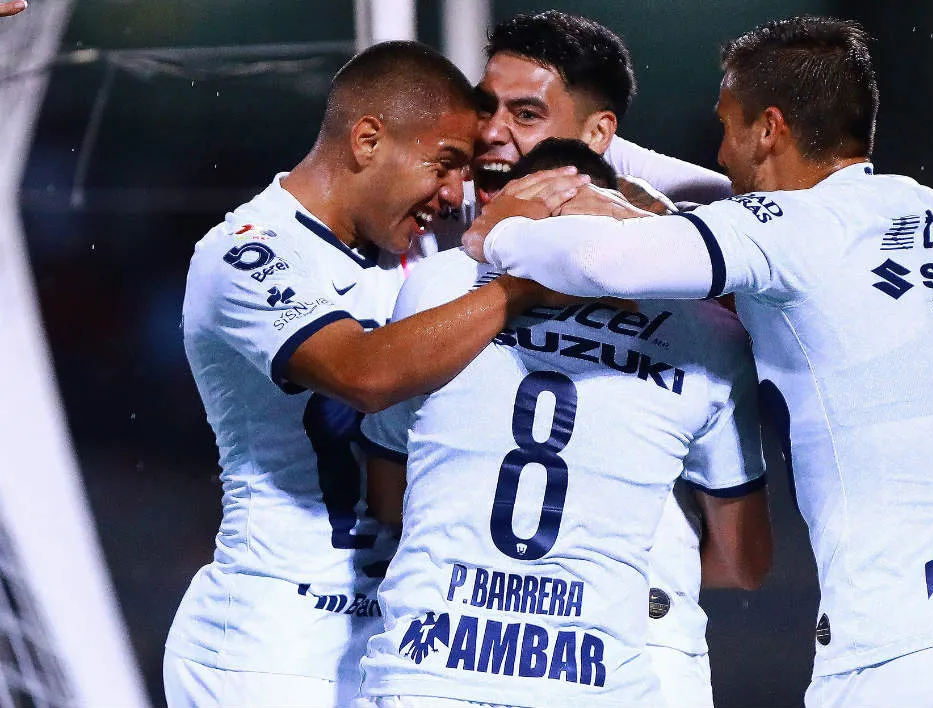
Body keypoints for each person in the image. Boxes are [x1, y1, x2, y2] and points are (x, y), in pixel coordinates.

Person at [462, 16, 933, 707]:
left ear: (769, 129)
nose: (721, 150)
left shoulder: (784, 233)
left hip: (905, 646)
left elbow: (603, 259)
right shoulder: (928, 209)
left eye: (729, 125)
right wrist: (610, 181)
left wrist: (499, 232)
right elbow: (737, 226)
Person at [164, 40, 588, 707]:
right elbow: (363, 373)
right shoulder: (249, 251)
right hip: (270, 652)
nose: (454, 195)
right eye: (444, 165)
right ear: (367, 140)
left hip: (395, 647)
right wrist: (523, 286)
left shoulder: (420, 258)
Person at [357, 138, 769, 708]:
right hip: (597, 681)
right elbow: (745, 559)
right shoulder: (704, 330)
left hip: (430, 675)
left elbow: (388, 500)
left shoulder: (435, 285)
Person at [422, 13, 753, 706]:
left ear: (602, 135)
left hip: (638, 632)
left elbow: (737, 209)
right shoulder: (435, 216)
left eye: (526, 112)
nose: (492, 132)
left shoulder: (674, 232)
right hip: (466, 636)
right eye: (487, 107)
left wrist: (620, 571)